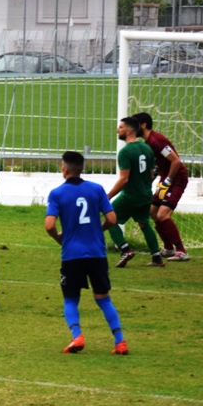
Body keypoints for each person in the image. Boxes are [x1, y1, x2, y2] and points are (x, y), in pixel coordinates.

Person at [45, 151, 128, 355]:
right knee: (103, 298)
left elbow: (49, 225)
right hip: (96, 252)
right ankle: (120, 341)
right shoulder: (96, 189)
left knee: (71, 299)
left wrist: (59, 238)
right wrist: (97, 229)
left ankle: (77, 336)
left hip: (72, 254)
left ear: (65, 169)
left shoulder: (57, 193)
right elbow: (112, 219)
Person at [106, 117, 165, 267]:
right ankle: (157, 258)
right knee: (144, 223)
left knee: (109, 219)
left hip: (130, 196)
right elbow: (152, 175)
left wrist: (107, 196)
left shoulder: (125, 152)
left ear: (129, 131)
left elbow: (124, 179)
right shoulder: (147, 148)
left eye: (120, 127)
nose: (117, 130)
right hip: (146, 195)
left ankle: (125, 250)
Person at [133, 112, 190, 262]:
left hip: (176, 179)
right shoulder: (149, 143)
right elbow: (162, 162)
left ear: (143, 125)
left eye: (135, 124)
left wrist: (168, 181)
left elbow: (175, 161)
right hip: (166, 179)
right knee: (152, 212)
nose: (132, 128)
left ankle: (181, 251)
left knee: (162, 214)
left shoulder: (157, 141)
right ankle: (168, 248)